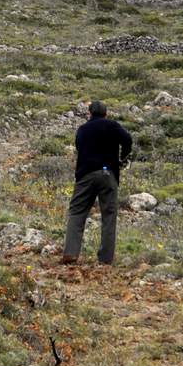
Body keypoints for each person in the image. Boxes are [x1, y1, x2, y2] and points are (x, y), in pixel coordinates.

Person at [61, 101, 132, 265]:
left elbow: (79, 146)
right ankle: (105, 259)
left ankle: (71, 253)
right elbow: (128, 139)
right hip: (109, 174)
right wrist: (122, 158)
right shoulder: (112, 125)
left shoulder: (83, 129)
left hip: (86, 174)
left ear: (89, 113)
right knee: (108, 216)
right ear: (106, 114)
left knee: (77, 212)